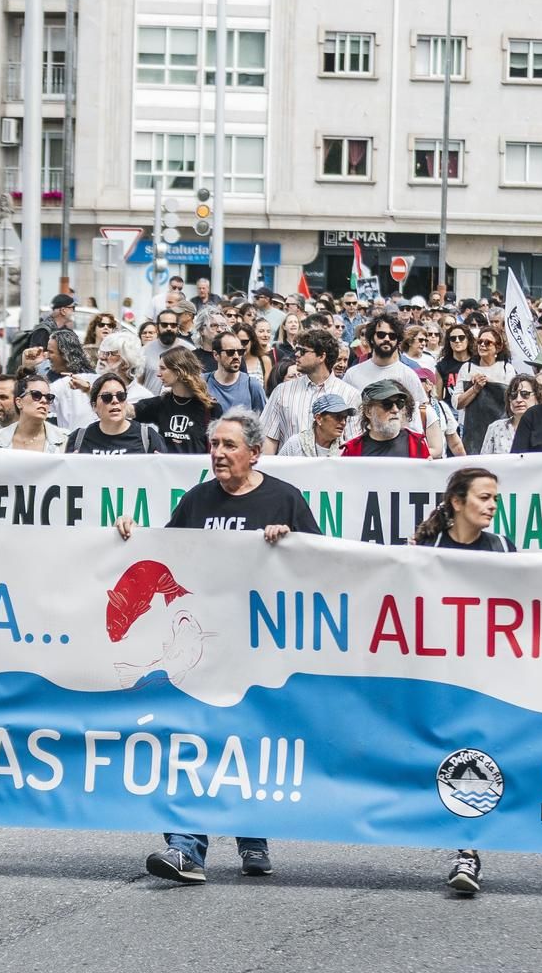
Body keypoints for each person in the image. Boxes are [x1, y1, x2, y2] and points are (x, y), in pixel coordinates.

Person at [117, 413, 320, 885]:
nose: (219, 454)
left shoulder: (283, 498)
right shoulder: (197, 499)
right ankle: (186, 848)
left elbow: (319, 563)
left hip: (256, 645)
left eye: (229, 445)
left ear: (254, 452)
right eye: (214, 445)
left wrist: (290, 543)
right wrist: (133, 533)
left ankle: (251, 833)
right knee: (188, 739)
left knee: (243, 739)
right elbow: (163, 554)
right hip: (198, 644)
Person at [410, 467, 514, 895]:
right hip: (433, 676)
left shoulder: (503, 549)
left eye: (495, 499)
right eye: (484, 497)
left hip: (483, 679)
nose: (491, 506)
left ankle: (467, 852)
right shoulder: (426, 549)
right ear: (457, 502)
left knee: (472, 759)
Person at [261, 330, 361, 454]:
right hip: (290, 470)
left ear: (321, 356)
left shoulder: (349, 394)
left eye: (303, 351)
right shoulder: (282, 391)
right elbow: (269, 439)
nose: (297, 354)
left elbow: (353, 443)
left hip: (332, 471)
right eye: (297, 349)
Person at [136, 347, 223, 454]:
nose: (158, 374)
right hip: (167, 469)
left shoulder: (211, 408)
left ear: (179, 371)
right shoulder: (161, 404)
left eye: (163, 368)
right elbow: (127, 411)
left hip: (198, 469)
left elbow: (220, 446)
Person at [68, 373, 165, 454]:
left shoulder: (148, 437)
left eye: (121, 396)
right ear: (94, 406)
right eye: (107, 397)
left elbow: (164, 473)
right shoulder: (78, 439)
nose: (115, 401)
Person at [0, 374, 71, 452]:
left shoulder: (65, 439)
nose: (44, 401)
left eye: (49, 397)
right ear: (19, 402)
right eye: (36, 395)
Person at [343, 380, 432, 458]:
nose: (395, 410)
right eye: (387, 404)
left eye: (399, 403)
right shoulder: (352, 450)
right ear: (368, 412)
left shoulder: (418, 443)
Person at [454, 328, 512, 446]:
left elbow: (511, 399)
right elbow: (457, 404)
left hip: (500, 428)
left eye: (488, 342)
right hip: (472, 430)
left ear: (498, 347)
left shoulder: (507, 369)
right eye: (480, 341)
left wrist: (489, 382)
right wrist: (475, 389)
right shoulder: (467, 368)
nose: (482, 345)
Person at [206, 330, 267, 415]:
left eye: (240, 352)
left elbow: (265, 421)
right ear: (216, 355)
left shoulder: (252, 385)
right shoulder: (203, 382)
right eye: (230, 352)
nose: (236, 356)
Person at [140, 308, 193, 394]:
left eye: (173, 325)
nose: (169, 328)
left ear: (178, 327)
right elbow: (139, 382)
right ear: (157, 327)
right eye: (164, 325)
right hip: (149, 403)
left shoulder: (190, 350)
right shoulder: (145, 350)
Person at [283, 393, 352, 457]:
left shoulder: (345, 450)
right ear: (319, 418)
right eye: (338, 417)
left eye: (345, 418)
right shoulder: (295, 444)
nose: (343, 422)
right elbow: (277, 469)